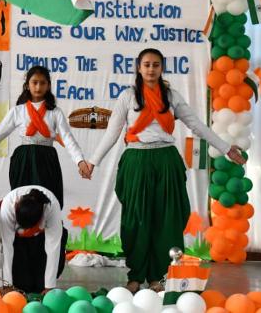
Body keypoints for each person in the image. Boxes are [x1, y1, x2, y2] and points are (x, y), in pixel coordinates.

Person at [88, 47, 247, 293]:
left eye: (156, 65)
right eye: (147, 65)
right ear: (138, 68)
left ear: (162, 68)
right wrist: (92, 162)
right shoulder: (128, 96)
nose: (151, 69)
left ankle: (160, 277)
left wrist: (226, 148)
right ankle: (135, 276)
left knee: (167, 219)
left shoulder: (171, 96)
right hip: (137, 161)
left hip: (166, 160)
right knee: (136, 219)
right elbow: (112, 132)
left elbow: (196, 125)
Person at [0, 65, 91, 206]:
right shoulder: (17, 111)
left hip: (47, 160)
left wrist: (80, 161)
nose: (38, 87)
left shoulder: (55, 112)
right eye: (34, 82)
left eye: (42, 83)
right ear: (27, 85)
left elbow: (68, 139)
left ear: (48, 86)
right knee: (22, 202)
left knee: (47, 201)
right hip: (24, 160)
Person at [0, 186, 67, 294]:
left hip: (40, 239)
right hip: (19, 241)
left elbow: (53, 248)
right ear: (16, 205)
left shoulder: (52, 207)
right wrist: (7, 284)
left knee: (40, 285)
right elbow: (6, 246)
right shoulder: (8, 205)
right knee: (22, 284)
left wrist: (49, 286)